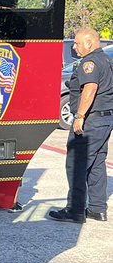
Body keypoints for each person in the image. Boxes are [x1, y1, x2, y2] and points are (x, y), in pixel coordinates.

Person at [48, 29, 113, 223]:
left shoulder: (90, 62)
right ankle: (97, 209)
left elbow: (90, 88)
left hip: (91, 120)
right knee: (96, 164)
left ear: (90, 43)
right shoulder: (105, 59)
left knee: (77, 164)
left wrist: (79, 116)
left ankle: (75, 210)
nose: (74, 47)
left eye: (77, 43)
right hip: (104, 119)